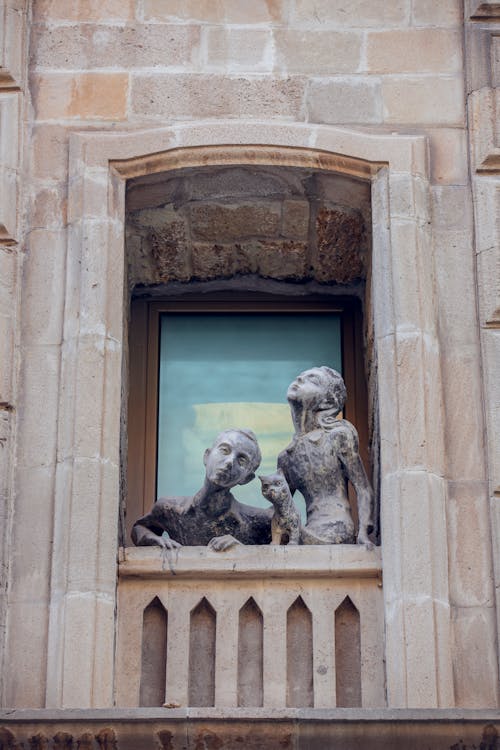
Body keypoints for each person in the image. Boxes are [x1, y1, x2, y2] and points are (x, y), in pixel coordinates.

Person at [278, 366, 374, 546]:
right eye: (300, 376)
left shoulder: (338, 436)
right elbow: (279, 508)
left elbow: (363, 488)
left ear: (327, 402)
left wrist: (363, 532)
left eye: (312, 380)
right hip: (306, 529)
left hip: (337, 528)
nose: (299, 380)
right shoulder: (286, 457)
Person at [132, 428, 272, 551]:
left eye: (241, 460)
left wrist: (243, 551)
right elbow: (140, 528)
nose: (230, 462)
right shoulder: (169, 509)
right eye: (224, 450)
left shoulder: (257, 521)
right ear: (207, 456)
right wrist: (154, 540)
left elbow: (286, 546)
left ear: (246, 478)